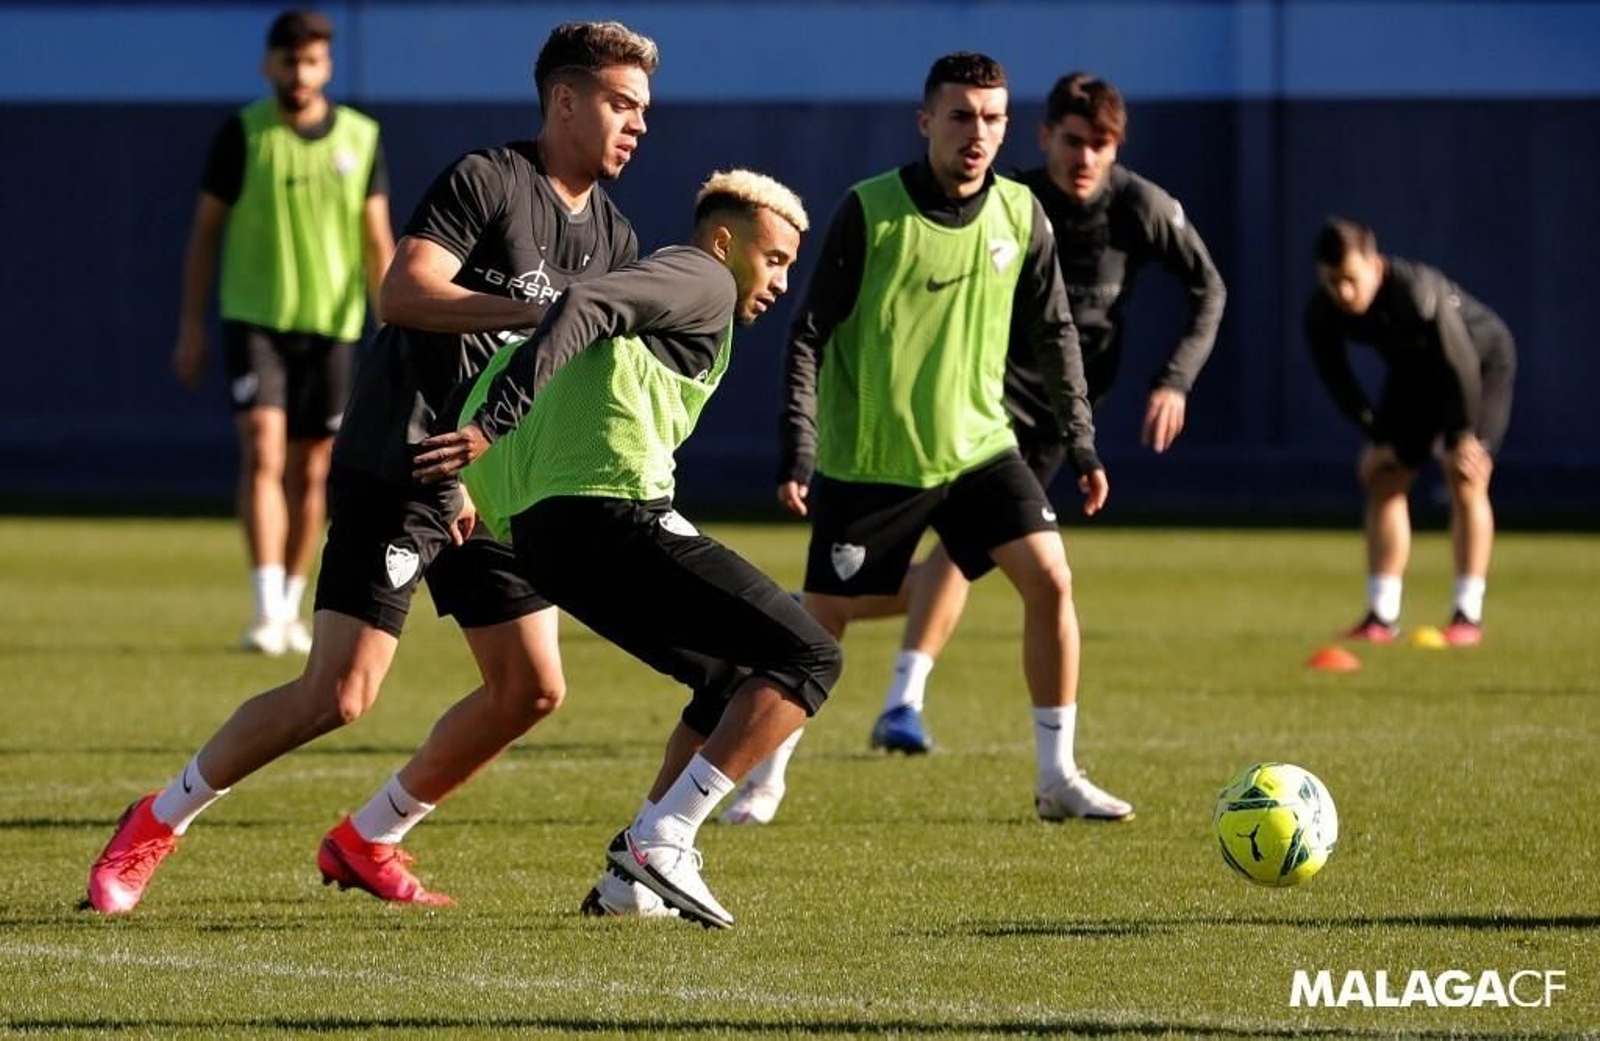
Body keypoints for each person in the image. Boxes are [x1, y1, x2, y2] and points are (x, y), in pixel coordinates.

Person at [85, 21, 659, 914]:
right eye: (622, 103)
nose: (638, 124)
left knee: (530, 688)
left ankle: (368, 838)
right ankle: (156, 818)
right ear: (564, 100)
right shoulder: (488, 179)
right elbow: (402, 291)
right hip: (405, 458)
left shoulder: (615, 237)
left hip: (493, 481)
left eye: (644, 109)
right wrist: (532, 310)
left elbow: (567, 379)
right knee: (338, 694)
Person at [412, 169, 838, 929]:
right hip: (609, 516)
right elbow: (581, 303)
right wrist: (495, 423)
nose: (780, 281)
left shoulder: (679, 293)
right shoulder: (704, 278)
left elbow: (543, 340)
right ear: (723, 241)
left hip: (551, 540)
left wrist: (477, 453)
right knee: (811, 655)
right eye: (772, 258)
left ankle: (628, 885)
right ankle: (663, 840)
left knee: (728, 680)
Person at [723, 52, 1134, 829]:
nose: (977, 133)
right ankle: (764, 779)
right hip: (874, 456)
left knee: (1051, 578)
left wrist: (1082, 441)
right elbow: (808, 332)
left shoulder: (1021, 212)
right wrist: (800, 444)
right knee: (822, 619)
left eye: (992, 118)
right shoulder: (871, 210)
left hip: (980, 447)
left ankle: (1056, 777)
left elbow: (1055, 332)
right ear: (926, 122)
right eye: (960, 116)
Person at [771, 71, 1229, 761]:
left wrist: (1169, 384)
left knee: (998, 564)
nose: (1085, 158)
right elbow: (813, 328)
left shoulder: (1136, 206)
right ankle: (867, 698)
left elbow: (1199, 290)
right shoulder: (988, 200)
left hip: (1031, 426)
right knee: (950, 565)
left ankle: (897, 682)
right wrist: (803, 438)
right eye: (1072, 141)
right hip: (961, 412)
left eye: (1101, 145)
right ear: (1044, 138)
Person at [172, 9, 394, 656]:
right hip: (256, 320)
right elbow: (204, 234)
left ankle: (292, 607)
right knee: (264, 452)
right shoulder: (243, 134)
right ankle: (266, 606)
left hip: (332, 327)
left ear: (327, 67)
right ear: (268, 64)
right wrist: (191, 325)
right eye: (290, 61)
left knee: (312, 466)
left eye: (312, 61)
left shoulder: (360, 138)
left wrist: (397, 337)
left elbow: (377, 243)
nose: (300, 73)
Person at [1305, 217, 1515, 647]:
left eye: (1350, 279)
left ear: (1374, 264)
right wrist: (1377, 436)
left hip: (1479, 364)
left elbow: (1460, 364)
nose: (1343, 292)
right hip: (1415, 373)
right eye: (1332, 281)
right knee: (1384, 476)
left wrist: (1461, 435)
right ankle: (1381, 617)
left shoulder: (1416, 292)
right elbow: (1338, 380)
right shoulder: (1321, 311)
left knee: (1465, 475)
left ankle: (1467, 616)